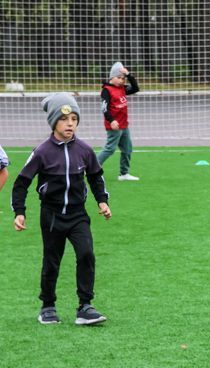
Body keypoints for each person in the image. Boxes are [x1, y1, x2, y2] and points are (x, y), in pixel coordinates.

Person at [11, 93, 112, 326]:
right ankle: (47, 306)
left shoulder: (84, 150)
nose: (70, 124)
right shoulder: (42, 152)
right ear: (53, 122)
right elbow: (21, 183)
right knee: (52, 261)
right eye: (64, 119)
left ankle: (85, 307)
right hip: (52, 216)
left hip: (78, 215)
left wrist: (102, 201)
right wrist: (19, 212)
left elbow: (96, 177)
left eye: (74, 119)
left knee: (86, 254)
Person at [98, 62, 140, 181]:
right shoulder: (106, 90)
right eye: (119, 77)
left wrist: (129, 75)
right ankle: (92, 168)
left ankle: (124, 174)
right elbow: (104, 108)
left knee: (127, 149)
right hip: (114, 126)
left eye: (123, 78)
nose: (122, 80)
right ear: (112, 77)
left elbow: (136, 88)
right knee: (110, 149)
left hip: (124, 125)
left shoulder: (122, 88)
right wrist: (111, 121)